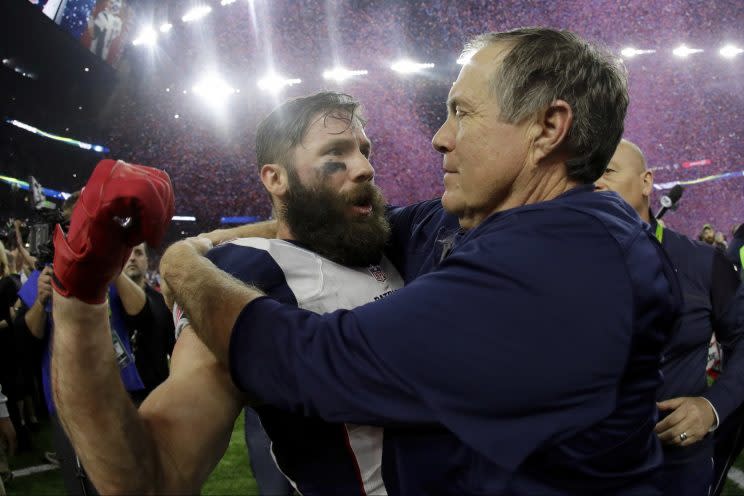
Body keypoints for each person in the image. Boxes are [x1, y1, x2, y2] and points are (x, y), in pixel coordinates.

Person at [153, 28, 681, 494]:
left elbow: (313, 361)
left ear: (547, 127)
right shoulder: (490, 217)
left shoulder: (561, 262)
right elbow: (335, 219)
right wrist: (214, 242)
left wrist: (181, 264)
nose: (439, 137)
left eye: (462, 113)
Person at [51, 92, 404, 495]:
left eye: (365, 149)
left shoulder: (395, 236)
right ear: (276, 178)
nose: (365, 168)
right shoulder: (241, 277)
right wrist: (80, 294)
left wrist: (190, 248)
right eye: (337, 152)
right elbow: (151, 478)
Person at [595, 139, 744, 496]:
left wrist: (713, 406)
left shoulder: (705, 263)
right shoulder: (554, 258)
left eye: (608, 170)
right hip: (580, 461)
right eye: (584, 173)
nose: (594, 182)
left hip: (673, 467)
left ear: (646, 183)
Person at [115, 242, 175, 404]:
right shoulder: (103, 303)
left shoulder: (163, 303)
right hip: (117, 401)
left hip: (156, 398)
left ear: (147, 261)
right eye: (127, 253)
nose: (132, 258)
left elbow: (175, 352)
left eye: (138, 253)